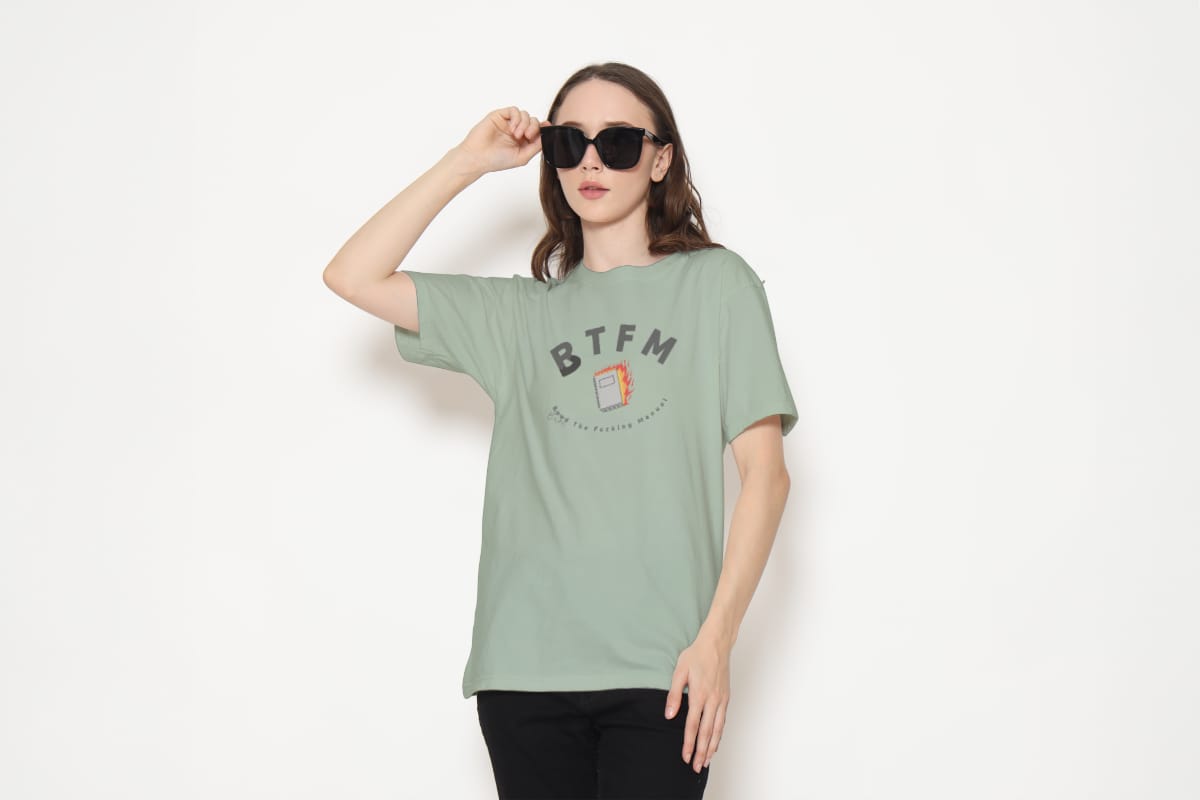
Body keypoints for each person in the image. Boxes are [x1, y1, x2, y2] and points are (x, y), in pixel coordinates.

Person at [323, 62, 798, 800]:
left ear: (661, 159)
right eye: (570, 142)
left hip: (664, 667)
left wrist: (717, 641)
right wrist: (467, 162)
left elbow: (766, 476)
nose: (591, 162)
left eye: (618, 142)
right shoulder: (517, 317)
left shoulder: (717, 286)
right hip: (525, 672)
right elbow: (352, 275)